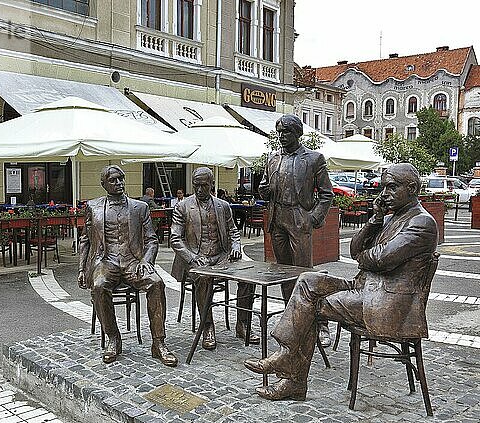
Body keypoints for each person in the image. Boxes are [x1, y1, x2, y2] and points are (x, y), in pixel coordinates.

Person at [244, 163, 438, 401]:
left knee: (310, 307)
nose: (384, 193)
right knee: (308, 281)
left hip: (387, 303)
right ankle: (286, 354)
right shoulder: (389, 219)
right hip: (366, 288)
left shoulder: (421, 222)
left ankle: (293, 380)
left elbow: (380, 259)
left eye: (391, 187)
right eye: (383, 186)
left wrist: (366, 258)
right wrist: (375, 220)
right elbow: (356, 248)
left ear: (412, 188)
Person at [77, 165, 177, 367]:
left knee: (156, 283)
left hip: (133, 261)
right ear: (103, 184)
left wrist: (146, 261)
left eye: (121, 179)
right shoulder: (93, 207)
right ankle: (113, 337)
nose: (118, 183)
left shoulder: (140, 207)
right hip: (106, 261)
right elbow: (85, 240)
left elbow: (151, 240)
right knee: (98, 286)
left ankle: (159, 343)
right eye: (113, 180)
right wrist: (82, 269)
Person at [258, 114, 334, 346]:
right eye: (279, 132)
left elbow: (326, 194)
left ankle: (319, 321)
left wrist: (313, 218)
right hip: (278, 218)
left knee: (305, 273)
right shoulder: (272, 159)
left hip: (299, 218)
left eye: (286, 132)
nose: (281, 137)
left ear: (297, 134)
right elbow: (263, 187)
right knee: (284, 272)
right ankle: (292, 315)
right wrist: (264, 190)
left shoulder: (313, 159)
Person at [170, 167, 259, 350]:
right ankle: (207, 326)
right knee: (203, 278)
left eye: (204, 185)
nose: (200, 189)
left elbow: (233, 230)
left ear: (212, 184)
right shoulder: (183, 206)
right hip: (195, 259)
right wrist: (193, 257)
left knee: (249, 277)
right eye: (196, 185)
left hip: (221, 256)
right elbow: (175, 238)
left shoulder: (223, 206)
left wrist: (236, 246)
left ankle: (242, 324)